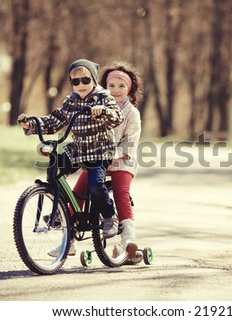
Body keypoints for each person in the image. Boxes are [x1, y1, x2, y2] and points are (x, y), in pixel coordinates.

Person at [17, 58, 124, 257]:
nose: (81, 85)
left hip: (100, 150)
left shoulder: (103, 98)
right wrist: (32, 124)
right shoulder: (71, 101)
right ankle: (61, 209)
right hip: (78, 149)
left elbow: (117, 117)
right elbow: (55, 120)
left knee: (94, 184)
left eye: (85, 80)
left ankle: (110, 217)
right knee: (54, 169)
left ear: (93, 79)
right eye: (75, 82)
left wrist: (103, 112)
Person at [73, 61, 143, 264]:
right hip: (97, 159)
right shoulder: (95, 107)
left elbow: (130, 143)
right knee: (78, 192)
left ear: (129, 89)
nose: (116, 90)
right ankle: (68, 238)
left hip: (122, 161)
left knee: (121, 193)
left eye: (122, 86)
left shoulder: (132, 113)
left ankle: (128, 239)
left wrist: (112, 155)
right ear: (103, 87)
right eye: (111, 86)